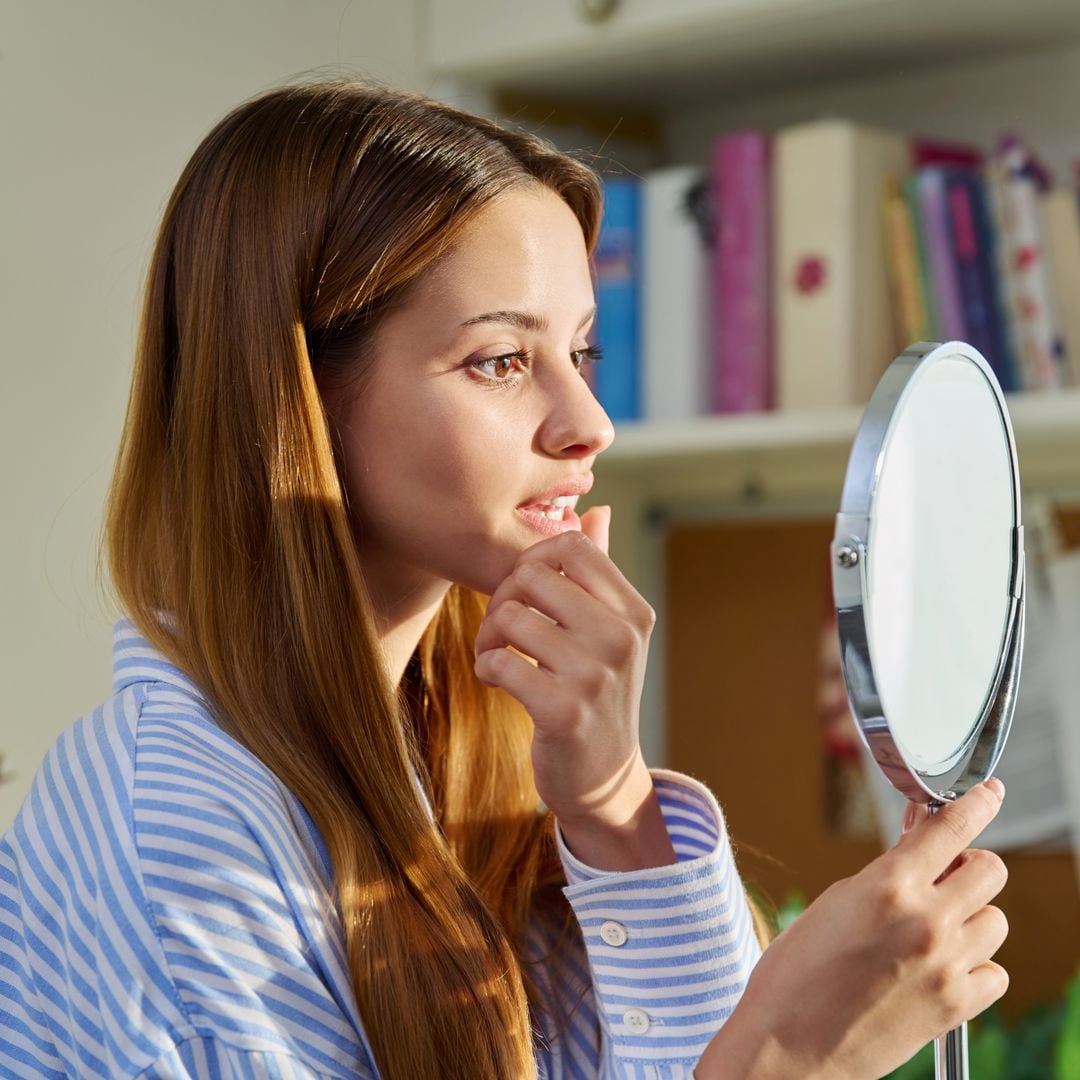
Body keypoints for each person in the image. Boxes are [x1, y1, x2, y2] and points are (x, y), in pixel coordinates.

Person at [0, 80, 1010, 1079]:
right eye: (499, 360)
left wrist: (614, 807)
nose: (589, 423)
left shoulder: (479, 750)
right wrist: (794, 1057)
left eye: (580, 349)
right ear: (298, 393)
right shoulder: (184, 845)